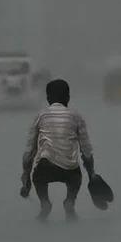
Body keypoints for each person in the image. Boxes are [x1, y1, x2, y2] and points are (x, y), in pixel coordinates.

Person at [20, 79, 97, 222]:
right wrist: (92, 175)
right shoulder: (76, 117)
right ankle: (70, 201)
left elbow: (29, 151)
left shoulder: (40, 116)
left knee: (38, 177)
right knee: (76, 178)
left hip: (46, 167)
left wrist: (26, 178)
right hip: (70, 170)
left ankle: (45, 202)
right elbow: (86, 151)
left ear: (48, 98)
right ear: (68, 97)